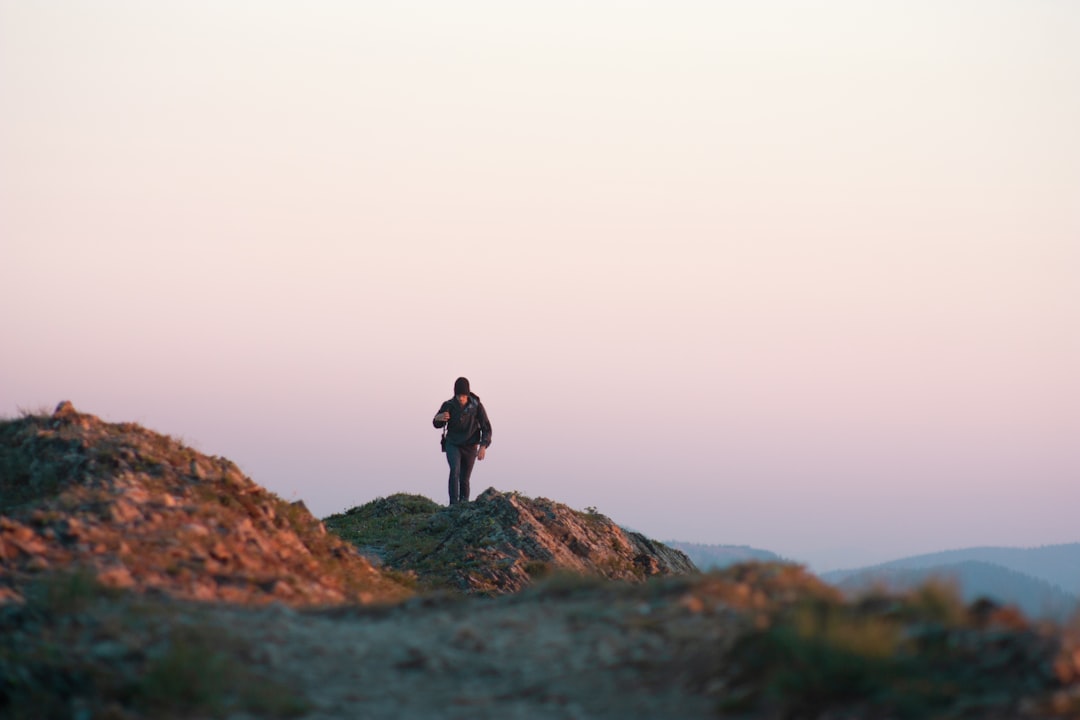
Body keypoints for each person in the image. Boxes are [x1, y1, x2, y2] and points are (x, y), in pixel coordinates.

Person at [432, 377, 492, 505]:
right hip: (453, 444)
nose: (461, 398)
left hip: (470, 446)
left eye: (463, 395)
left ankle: (464, 505)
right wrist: (439, 418)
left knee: (464, 479)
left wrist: (483, 446)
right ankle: (453, 505)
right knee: (455, 470)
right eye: (458, 395)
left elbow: (486, 428)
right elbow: (436, 423)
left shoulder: (476, 406)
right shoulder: (448, 405)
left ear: (468, 394)